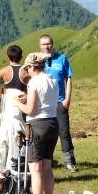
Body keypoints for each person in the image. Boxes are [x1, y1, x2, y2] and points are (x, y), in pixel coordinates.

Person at [16, 51, 58, 194]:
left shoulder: (33, 83)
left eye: (27, 69)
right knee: (47, 167)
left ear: (32, 67)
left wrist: (16, 102)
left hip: (38, 125)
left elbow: (29, 110)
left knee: (35, 170)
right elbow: (46, 99)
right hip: (53, 123)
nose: (27, 72)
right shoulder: (52, 79)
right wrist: (29, 98)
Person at [0, 45, 27, 186]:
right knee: (18, 134)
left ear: (8, 57)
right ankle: (15, 167)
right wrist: (27, 95)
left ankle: (2, 170)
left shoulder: (5, 71)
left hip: (7, 105)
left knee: (4, 136)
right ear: (21, 56)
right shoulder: (25, 71)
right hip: (18, 107)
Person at [39, 34, 77, 172]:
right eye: (43, 44)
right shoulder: (37, 61)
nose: (46, 47)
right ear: (39, 46)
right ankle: (46, 161)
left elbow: (69, 78)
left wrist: (68, 98)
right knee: (44, 133)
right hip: (42, 104)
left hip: (60, 102)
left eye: (48, 44)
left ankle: (70, 161)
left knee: (64, 132)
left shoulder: (61, 59)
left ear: (52, 44)